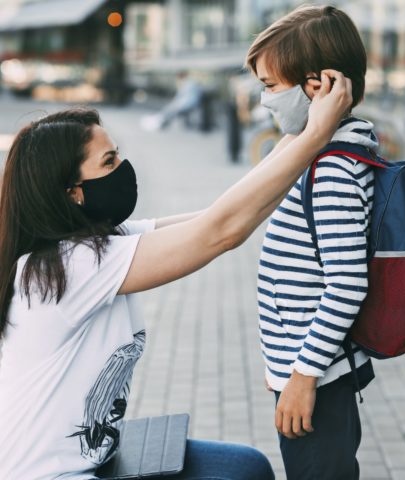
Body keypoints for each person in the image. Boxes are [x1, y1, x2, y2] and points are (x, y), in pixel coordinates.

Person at [0, 68, 352, 479]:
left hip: (98, 458)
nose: (123, 168)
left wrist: (304, 123)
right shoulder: (64, 268)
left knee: (246, 469)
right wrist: (314, 136)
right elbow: (220, 233)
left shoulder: (102, 242)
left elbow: (218, 216)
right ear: (73, 193)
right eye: (109, 161)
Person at [245, 5, 377, 479]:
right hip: (308, 370)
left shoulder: (333, 170)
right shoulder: (317, 152)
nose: (264, 101)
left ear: (317, 85)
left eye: (270, 86)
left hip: (318, 380)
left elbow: (346, 283)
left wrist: (301, 378)